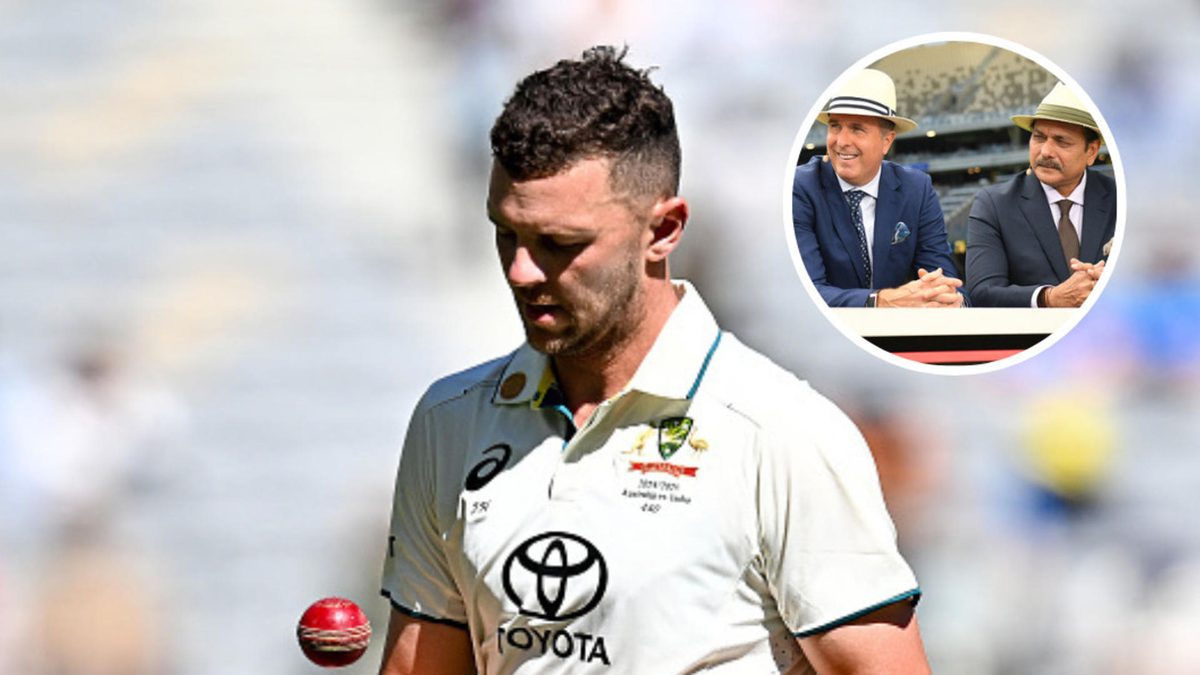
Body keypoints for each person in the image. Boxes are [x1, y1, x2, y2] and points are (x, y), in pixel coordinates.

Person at [378, 46, 930, 674]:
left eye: (560, 244)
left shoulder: (783, 434)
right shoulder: (449, 422)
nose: (520, 271)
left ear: (664, 230)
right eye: (507, 233)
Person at [793, 68, 964, 308]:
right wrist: (878, 301)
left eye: (856, 128)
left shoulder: (917, 188)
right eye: (834, 126)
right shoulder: (800, 187)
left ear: (887, 141)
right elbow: (806, 291)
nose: (841, 141)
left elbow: (943, 276)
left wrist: (948, 298)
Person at [966, 82, 1116, 307]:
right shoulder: (994, 204)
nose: (1045, 151)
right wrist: (1049, 298)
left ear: (1092, 151)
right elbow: (982, 292)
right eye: (1038, 137)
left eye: (1061, 141)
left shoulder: (1121, 199)